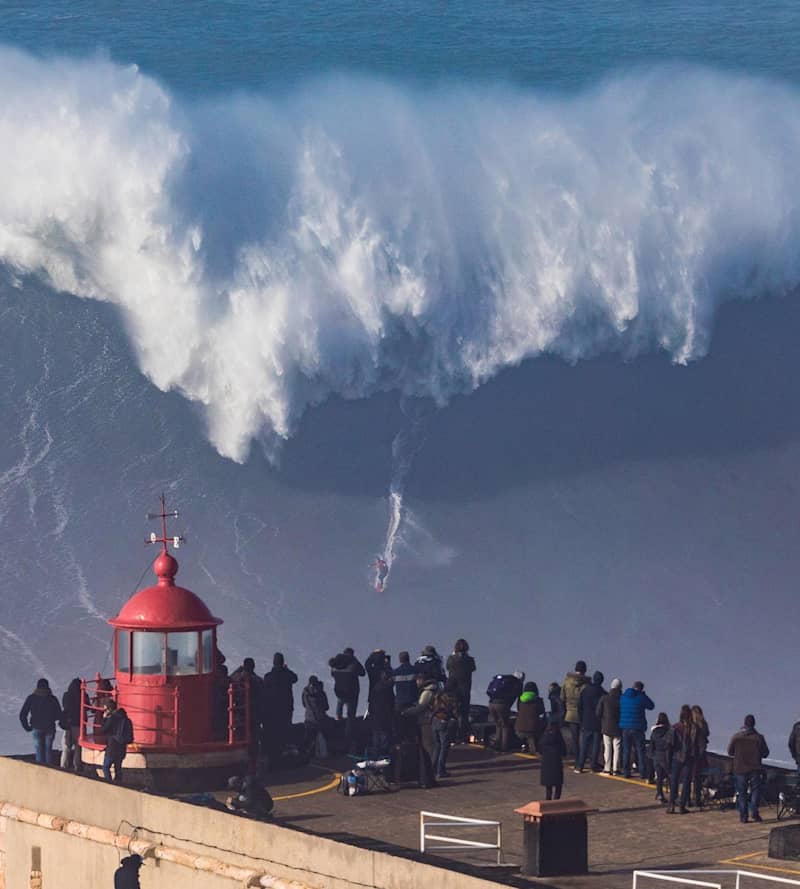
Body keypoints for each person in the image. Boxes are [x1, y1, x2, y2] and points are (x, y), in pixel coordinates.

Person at [727, 714, 769, 824]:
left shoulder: (737, 737)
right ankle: (754, 812)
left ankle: (743, 817)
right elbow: (765, 753)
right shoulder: (759, 738)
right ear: (754, 724)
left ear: (744, 724)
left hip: (740, 769)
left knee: (742, 793)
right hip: (755, 768)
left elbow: (730, 752)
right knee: (756, 791)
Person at [403, 674, 439, 788]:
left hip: (426, 721)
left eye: (417, 680)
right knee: (431, 746)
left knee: (428, 747)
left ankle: (430, 772)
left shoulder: (427, 692)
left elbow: (421, 707)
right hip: (430, 720)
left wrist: (407, 712)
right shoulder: (434, 689)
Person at [262, 653, 298, 763]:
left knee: (274, 729)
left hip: (272, 708)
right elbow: (295, 678)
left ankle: (273, 752)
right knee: (286, 728)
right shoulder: (287, 675)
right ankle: (285, 751)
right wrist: (286, 670)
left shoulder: (268, 676)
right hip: (286, 707)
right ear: (282, 662)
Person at [19, 678, 62, 765]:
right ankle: (49, 769)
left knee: (39, 749)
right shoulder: (52, 699)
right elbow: (59, 715)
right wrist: (52, 718)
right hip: (50, 728)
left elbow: (22, 714)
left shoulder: (31, 698)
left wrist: (26, 727)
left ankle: (40, 769)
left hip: (36, 727)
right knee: (48, 749)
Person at [329, 648, 365, 747]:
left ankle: (338, 719)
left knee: (340, 701)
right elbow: (362, 673)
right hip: (352, 692)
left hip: (339, 691)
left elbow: (332, 674)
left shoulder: (335, 664)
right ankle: (348, 736)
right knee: (350, 715)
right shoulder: (353, 662)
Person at [619, 680, 654, 779]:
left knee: (626, 750)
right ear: (641, 688)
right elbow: (651, 706)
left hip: (625, 727)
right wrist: (644, 695)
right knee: (640, 750)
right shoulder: (641, 698)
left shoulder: (623, 697)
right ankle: (643, 773)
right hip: (638, 727)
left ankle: (626, 772)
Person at [230, 658, 264, 755]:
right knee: (254, 738)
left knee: (240, 735)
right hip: (254, 713)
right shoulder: (258, 680)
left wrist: (238, 669)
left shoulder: (236, 678)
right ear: (253, 667)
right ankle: (254, 761)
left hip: (239, 713)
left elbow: (230, 678)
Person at [446, 639, 476, 743]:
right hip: (465, 689)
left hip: (453, 688)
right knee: (464, 713)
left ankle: (452, 736)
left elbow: (447, 667)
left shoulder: (451, 659)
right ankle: (463, 736)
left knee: (453, 712)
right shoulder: (469, 660)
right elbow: (473, 668)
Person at [667, 705, 696, 814]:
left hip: (676, 757)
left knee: (674, 781)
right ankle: (682, 806)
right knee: (686, 782)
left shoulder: (675, 727)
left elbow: (670, 745)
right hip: (688, 758)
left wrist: (668, 760)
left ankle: (672, 804)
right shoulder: (693, 728)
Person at [576, 671, 606, 773]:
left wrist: (581, 719)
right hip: (597, 723)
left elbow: (579, 706)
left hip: (586, 721)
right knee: (595, 745)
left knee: (584, 745)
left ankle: (580, 766)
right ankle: (593, 765)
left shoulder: (585, 691)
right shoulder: (602, 693)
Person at [487, 671, 524, 752]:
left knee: (498, 724)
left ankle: (496, 744)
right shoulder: (518, 684)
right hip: (502, 705)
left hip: (491, 703)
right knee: (505, 726)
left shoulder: (504, 680)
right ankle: (504, 747)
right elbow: (519, 699)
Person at [431, 678, 459, 778]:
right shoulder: (451, 697)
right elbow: (455, 712)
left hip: (435, 721)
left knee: (437, 747)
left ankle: (432, 769)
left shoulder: (438, 694)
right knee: (444, 747)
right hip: (444, 722)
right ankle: (441, 770)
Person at [561, 661, 589, 758]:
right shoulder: (587, 684)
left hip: (570, 713)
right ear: (585, 670)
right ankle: (583, 758)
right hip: (583, 714)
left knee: (574, 737)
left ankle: (576, 758)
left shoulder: (567, 681)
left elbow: (562, 697)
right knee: (584, 738)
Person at [101, 701, 134, 783]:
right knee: (118, 768)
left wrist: (105, 719)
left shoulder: (112, 718)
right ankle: (119, 784)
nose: (104, 711)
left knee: (106, 767)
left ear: (109, 709)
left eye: (105, 710)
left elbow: (104, 730)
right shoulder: (127, 720)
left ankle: (109, 783)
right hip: (122, 748)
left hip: (112, 747)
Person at [597, 678, 623, 776]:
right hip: (618, 726)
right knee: (617, 748)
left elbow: (598, 712)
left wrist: (603, 719)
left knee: (607, 748)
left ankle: (607, 768)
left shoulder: (604, 698)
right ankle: (616, 768)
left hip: (606, 726)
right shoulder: (622, 698)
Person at [367, 667, 395, 756]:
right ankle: (383, 757)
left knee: (376, 739)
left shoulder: (376, 688)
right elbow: (391, 704)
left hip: (375, 717)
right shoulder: (387, 690)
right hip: (384, 717)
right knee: (384, 739)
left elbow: (371, 704)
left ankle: (376, 757)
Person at [59, 677, 86, 773]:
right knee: (78, 747)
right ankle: (77, 766)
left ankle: (64, 766)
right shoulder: (83, 694)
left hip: (68, 725)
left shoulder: (66, 695)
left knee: (66, 747)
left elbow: (65, 707)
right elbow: (86, 706)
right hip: (80, 725)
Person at [302, 675, 330, 758]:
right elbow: (326, 707)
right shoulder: (321, 693)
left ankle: (305, 753)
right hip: (320, 720)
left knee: (308, 737)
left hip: (309, 719)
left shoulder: (305, 692)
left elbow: (304, 704)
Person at [515, 682, 546, 754]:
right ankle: (535, 748)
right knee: (538, 727)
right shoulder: (538, 700)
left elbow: (518, 709)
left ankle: (523, 745)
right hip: (533, 729)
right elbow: (541, 711)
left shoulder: (520, 699)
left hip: (519, 728)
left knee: (524, 731)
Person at [539, 720, 567, 800]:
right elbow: (564, 751)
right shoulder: (558, 737)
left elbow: (540, 749)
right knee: (558, 785)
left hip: (546, 764)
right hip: (556, 763)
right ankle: (557, 800)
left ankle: (548, 800)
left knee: (548, 786)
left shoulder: (544, 737)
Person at [649, 712, 671, 803]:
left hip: (657, 757)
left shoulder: (654, 732)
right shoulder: (669, 731)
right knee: (671, 776)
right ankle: (673, 796)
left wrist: (652, 756)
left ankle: (660, 794)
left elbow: (651, 746)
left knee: (659, 777)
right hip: (666, 757)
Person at [691, 705, 710, 808]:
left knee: (693, 777)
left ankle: (693, 798)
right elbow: (707, 734)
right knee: (699, 778)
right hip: (702, 755)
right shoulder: (703, 725)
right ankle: (698, 798)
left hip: (693, 755)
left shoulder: (692, 726)